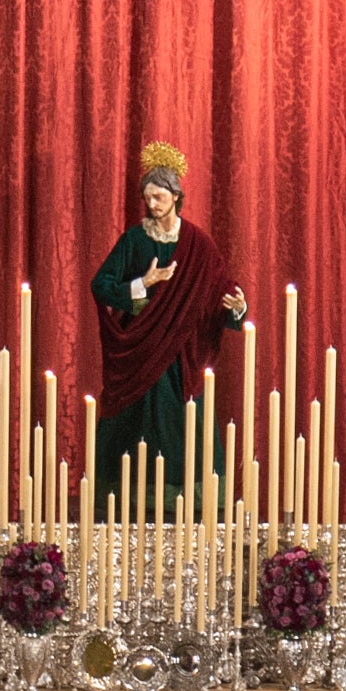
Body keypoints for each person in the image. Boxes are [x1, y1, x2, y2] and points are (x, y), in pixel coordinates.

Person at [87, 143, 250, 514]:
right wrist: (143, 284)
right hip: (140, 352)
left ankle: (191, 503)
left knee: (185, 429)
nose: (152, 204)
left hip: (182, 356)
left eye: (158, 197)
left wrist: (238, 307)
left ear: (176, 196)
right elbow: (101, 285)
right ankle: (130, 502)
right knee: (135, 429)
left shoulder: (198, 245)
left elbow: (222, 291)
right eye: (147, 198)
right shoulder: (134, 240)